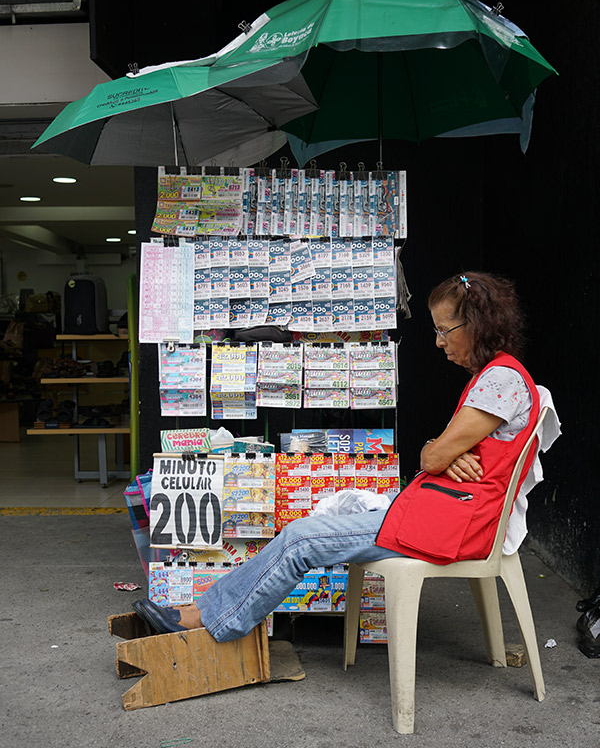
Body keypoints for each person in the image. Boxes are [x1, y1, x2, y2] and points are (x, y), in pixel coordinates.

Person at [134, 271, 540, 642]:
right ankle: (202, 611)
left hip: (448, 525)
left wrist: (440, 453)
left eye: (444, 330)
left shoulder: (500, 379)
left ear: (477, 325)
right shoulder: (495, 377)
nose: (439, 341)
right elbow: (438, 454)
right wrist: (445, 453)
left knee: (301, 539)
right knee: (308, 530)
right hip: (438, 514)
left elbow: (431, 457)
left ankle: (210, 621)